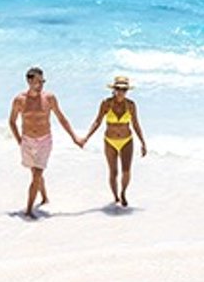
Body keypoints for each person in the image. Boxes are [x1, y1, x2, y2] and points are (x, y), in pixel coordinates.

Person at [8, 67, 78, 218]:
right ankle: (45, 197)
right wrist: (19, 140)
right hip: (27, 141)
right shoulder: (19, 100)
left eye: (43, 81)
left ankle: (28, 210)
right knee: (35, 173)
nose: (41, 85)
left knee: (37, 173)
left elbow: (61, 118)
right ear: (29, 81)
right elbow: (12, 121)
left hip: (44, 140)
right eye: (38, 82)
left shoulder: (49, 98)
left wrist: (74, 137)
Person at [81, 75, 147, 207]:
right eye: (118, 88)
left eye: (124, 89)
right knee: (113, 172)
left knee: (126, 171)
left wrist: (143, 143)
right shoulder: (106, 103)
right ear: (114, 89)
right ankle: (115, 196)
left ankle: (123, 192)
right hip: (110, 141)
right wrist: (86, 137)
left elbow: (136, 124)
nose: (120, 92)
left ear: (127, 91)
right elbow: (97, 121)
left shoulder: (131, 105)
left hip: (126, 140)